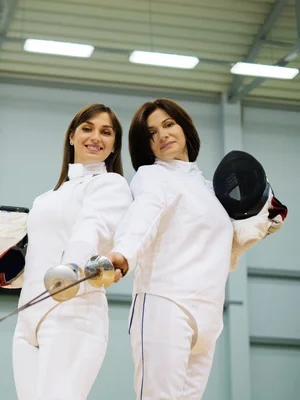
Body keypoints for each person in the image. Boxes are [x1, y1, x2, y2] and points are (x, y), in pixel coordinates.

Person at [107, 98, 283, 400]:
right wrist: (123, 254)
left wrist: (264, 220)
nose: (161, 136)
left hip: (209, 314)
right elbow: (144, 216)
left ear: (184, 128)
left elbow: (225, 247)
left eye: (168, 125)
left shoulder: (208, 190)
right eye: (151, 133)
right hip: (166, 304)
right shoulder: (153, 177)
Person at [0, 103, 133, 400]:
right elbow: (35, 266)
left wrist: (72, 267)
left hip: (74, 312)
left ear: (114, 144)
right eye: (87, 128)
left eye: (106, 132)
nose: (95, 137)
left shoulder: (111, 184)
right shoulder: (46, 199)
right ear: (71, 136)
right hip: (28, 319)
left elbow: (90, 228)